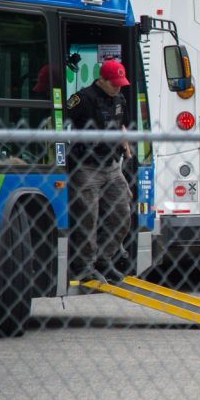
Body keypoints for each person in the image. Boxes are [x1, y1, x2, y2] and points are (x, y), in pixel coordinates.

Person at [66, 60, 133, 284]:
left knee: (122, 212)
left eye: (121, 84)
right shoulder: (82, 100)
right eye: (114, 84)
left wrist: (125, 144)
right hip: (86, 166)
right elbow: (60, 123)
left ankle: (104, 260)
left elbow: (121, 123)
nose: (118, 87)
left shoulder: (119, 98)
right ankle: (84, 266)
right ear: (101, 80)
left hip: (111, 164)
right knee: (87, 218)